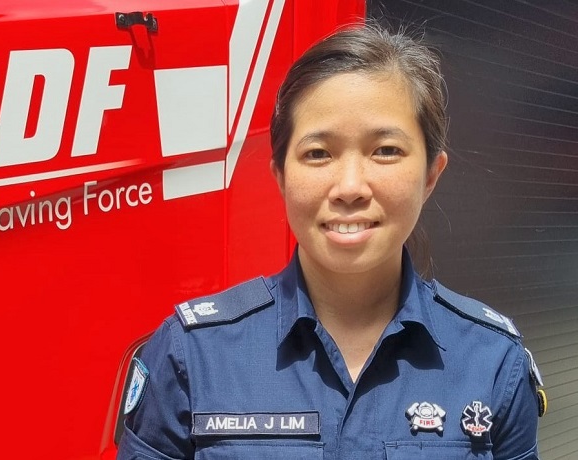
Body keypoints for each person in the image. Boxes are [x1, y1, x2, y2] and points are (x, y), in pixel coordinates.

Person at [117, 23, 543, 459]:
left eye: (386, 150)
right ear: (280, 176)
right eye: (318, 153)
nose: (350, 186)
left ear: (432, 174)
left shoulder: (492, 362)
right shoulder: (193, 354)